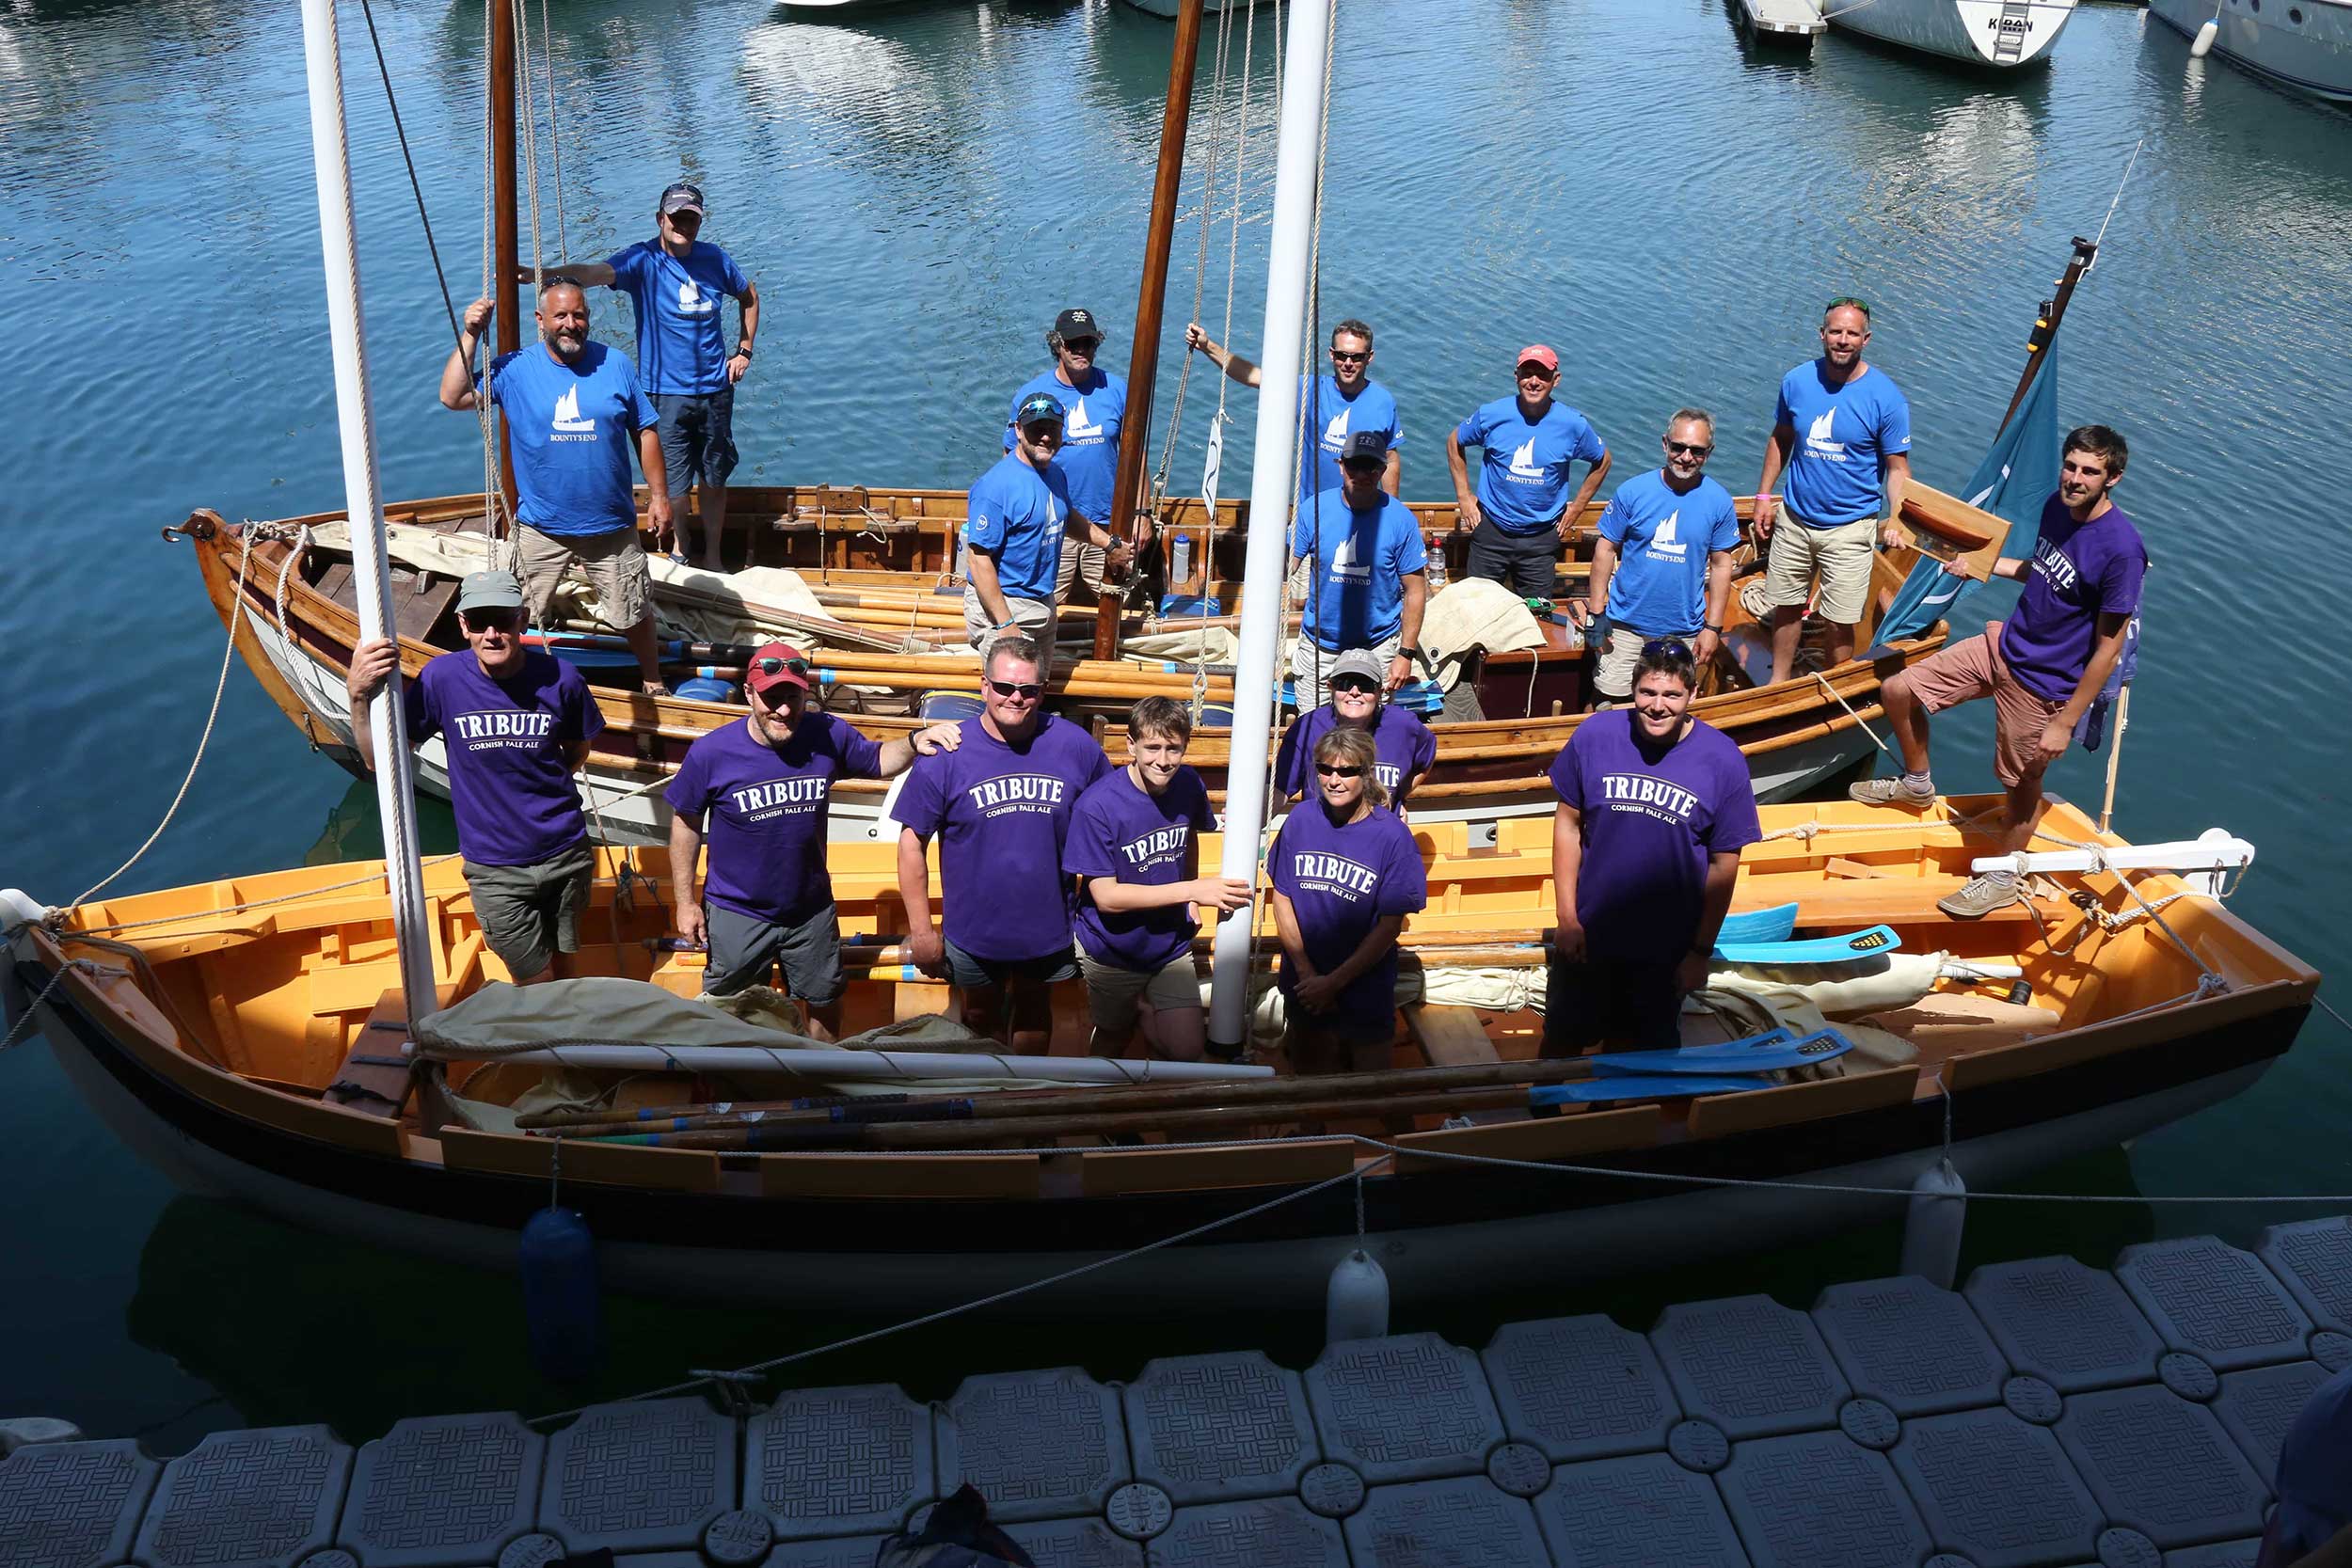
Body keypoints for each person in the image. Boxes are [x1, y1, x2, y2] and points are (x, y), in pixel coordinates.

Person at [1849, 426, 2148, 919]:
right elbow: (2043, 569)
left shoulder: (2122, 550)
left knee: (2020, 783)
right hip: (2003, 646)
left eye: (2089, 472)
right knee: (1898, 689)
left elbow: (2109, 649)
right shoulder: (2058, 506)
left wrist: (2065, 721)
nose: (2075, 478)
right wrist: (1985, 565)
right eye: (2070, 466)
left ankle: (2004, 874)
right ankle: (1917, 782)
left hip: (2045, 685)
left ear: (2113, 477)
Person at [665, 643, 959, 1037]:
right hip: (737, 910)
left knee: (824, 1003)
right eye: (772, 698)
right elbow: (685, 825)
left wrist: (914, 740)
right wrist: (685, 903)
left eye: (792, 697)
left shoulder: (827, 733)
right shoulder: (711, 753)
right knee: (729, 1015)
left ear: (806, 694)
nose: (783, 710)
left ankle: (821, 1076)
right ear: (749, 693)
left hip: (810, 909)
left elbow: (877, 761)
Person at [345, 570, 605, 985]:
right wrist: (358, 695)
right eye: (479, 622)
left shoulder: (563, 679)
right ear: (463, 625)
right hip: (496, 869)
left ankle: (571, 1044)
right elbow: (381, 761)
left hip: (566, 853)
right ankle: (553, 1043)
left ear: (521, 619)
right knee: (534, 982)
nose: (492, 635)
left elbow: (576, 750)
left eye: (502, 621)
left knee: (566, 967)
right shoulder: (441, 678)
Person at [439, 282, 671, 696]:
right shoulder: (513, 369)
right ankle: (502, 684)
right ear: (540, 320)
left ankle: (652, 680)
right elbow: (452, 397)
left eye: (578, 315)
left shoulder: (615, 364)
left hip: (611, 526)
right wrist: (471, 333)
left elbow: (646, 430)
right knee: (512, 611)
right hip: (540, 526)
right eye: (561, 316)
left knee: (633, 611)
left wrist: (658, 496)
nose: (571, 324)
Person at [1545, 638, 1761, 1053]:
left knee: (1643, 1062)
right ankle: (1546, 1116)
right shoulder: (1595, 735)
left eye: (1671, 695)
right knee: (1561, 1044)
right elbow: (1568, 825)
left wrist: (1699, 952)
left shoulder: (1724, 760)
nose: (1657, 706)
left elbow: (1723, 866)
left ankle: (1611, 1114)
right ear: (1633, 689)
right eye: (1647, 692)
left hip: (1665, 951)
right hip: (1590, 935)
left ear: (1693, 694)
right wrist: (1567, 919)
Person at [895, 636, 1111, 1051]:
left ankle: (1027, 1096)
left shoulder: (1077, 746)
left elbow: (1111, 820)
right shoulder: (946, 753)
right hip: (973, 929)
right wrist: (921, 932)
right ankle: (986, 1098)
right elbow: (911, 843)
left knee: (1035, 1011)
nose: (1016, 698)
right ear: (984, 686)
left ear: (1042, 691)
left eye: (1028, 690)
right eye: (1005, 687)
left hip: (1050, 926)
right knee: (978, 1016)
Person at [563, 182, 758, 572]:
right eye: (676, 217)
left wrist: (744, 350)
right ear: (660, 219)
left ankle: (716, 557)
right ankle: (684, 547)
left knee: (715, 478)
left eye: (691, 218)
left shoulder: (715, 259)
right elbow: (596, 272)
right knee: (675, 484)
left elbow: (748, 295)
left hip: (716, 389)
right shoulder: (643, 260)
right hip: (665, 394)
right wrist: (546, 275)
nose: (684, 225)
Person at [1064, 698, 1253, 1060]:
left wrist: (1192, 899)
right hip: (1112, 949)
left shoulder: (1188, 784)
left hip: (1169, 944)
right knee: (1113, 1038)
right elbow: (1106, 897)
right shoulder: (1097, 806)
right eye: (1152, 747)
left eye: (1173, 749)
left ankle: (1147, 1013)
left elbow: (1190, 836)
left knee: (1187, 1049)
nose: (1163, 760)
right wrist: (1192, 890)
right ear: (1130, 745)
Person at [1753, 297, 1914, 685]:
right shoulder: (1796, 381)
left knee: (1840, 619)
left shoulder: (1886, 398)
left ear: (1866, 339)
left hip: (1850, 527)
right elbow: (1781, 438)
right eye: (1836, 332)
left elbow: (1897, 468)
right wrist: (1763, 495)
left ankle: (1833, 684)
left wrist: (1897, 516)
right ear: (1822, 334)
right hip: (1795, 517)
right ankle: (1778, 681)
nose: (1843, 340)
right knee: (1787, 607)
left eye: (1852, 333)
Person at [1268, 726, 1428, 1075]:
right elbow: (1282, 898)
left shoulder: (1392, 836)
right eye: (1325, 769)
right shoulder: (1300, 821)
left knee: (1373, 1081)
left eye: (1347, 771)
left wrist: (1335, 982)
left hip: (1364, 985)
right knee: (1310, 1074)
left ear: (1366, 773)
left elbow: (1389, 927)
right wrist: (1309, 973)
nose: (1334, 780)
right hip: (1306, 982)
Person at [1576, 409, 1741, 707]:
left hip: (1683, 630)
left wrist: (1712, 628)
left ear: (1709, 452)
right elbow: (1605, 549)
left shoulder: (1719, 502)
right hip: (1623, 625)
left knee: (1667, 706)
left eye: (1697, 450)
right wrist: (1597, 612)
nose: (1686, 457)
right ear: (1665, 444)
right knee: (1605, 699)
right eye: (1678, 447)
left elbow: (1721, 564)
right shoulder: (1633, 491)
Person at [963, 393, 1133, 675]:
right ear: (1018, 430)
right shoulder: (996, 487)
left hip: (1043, 601)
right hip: (1006, 604)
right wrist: (1006, 624)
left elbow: (1064, 514)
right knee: (1012, 693)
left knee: (1038, 687)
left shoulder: (1054, 474)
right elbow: (978, 561)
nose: (1045, 437)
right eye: (1036, 429)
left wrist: (1108, 544)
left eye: (1052, 429)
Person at [1447, 345, 1612, 602]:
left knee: (1536, 613)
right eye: (1527, 373)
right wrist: (1464, 497)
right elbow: (1455, 441)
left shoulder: (1573, 424)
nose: (1533, 382)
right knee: (1478, 610)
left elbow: (1603, 460)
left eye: (1542, 375)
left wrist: (1577, 508)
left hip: (1542, 538)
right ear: (1516, 376)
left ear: (1556, 380)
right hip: (1491, 529)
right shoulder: (1493, 414)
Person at [1183, 317, 1403, 499]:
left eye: (1356, 357)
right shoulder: (1308, 389)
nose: (1347, 363)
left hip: (1364, 511)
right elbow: (1254, 376)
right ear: (1331, 354)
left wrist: (1391, 511)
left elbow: (1390, 459)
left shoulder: (1382, 403)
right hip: (1312, 513)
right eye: (1341, 355)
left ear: (1369, 358)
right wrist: (1206, 345)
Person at [1292, 430, 1430, 709]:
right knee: (1312, 726)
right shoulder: (1313, 509)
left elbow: (1416, 591)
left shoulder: (1401, 520)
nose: (1362, 474)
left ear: (1382, 470)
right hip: (1321, 645)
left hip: (1377, 647)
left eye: (1371, 467)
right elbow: (1287, 566)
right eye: (1354, 465)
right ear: (1341, 465)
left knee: (1372, 731)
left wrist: (1405, 654)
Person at [1005, 308, 1128, 602]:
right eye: (1073, 344)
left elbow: (1137, 454)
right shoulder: (1032, 394)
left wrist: (1141, 512)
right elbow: (1012, 460)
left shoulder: (1117, 389)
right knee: (1043, 601)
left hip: (1106, 521)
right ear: (1057, 345)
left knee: (1114, 599)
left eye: (1090, 343)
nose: (1082, 351)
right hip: (1052, 521)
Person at [1274, 648, 1437, 816]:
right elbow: (1280, 790)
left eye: (1365, 686)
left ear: (1379, 692)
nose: (1354, 692)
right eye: (1344, 684)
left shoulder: (1404, 726)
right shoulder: (1307, 727)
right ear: (1331, 687)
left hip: (1381, 836)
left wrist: (1398, 798)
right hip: (1324, 836)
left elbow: (1426, 759)